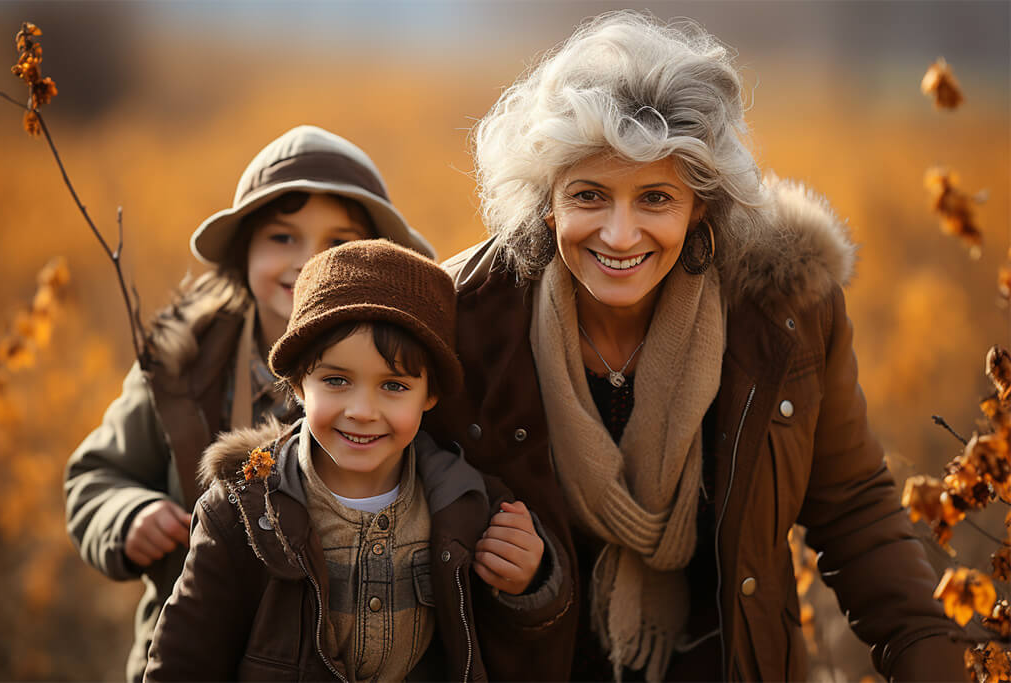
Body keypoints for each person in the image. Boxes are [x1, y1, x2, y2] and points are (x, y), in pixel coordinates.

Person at [424, 10, 966, 682]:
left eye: (655, 197)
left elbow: (853, 507)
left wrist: (932, 661)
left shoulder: (782, 315)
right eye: (589, 195)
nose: (620, 235)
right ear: (546, 203)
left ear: (701, 205)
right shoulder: (465, 316)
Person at [64, 125, 436, 682]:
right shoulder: (180, 367)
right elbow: (94, 476)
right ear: (244, 253)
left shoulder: (400, 371)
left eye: (338, 244)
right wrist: (128, 515)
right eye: (282, 238)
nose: (308, 262)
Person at [143, 239, 569, 681]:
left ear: (432, 395)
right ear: (298, 384)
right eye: (337, 380)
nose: (362, 410)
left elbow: (507, 644)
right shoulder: (244, 510)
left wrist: (531, 582)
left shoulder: (466, 505)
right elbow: (183, 659)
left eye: (394, 386)